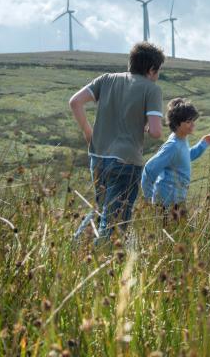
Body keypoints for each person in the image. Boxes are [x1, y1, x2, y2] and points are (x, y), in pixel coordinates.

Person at [70, 41, 165, 242]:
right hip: (126, 162)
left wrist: (89, 133)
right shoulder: (151, 89)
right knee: (113, 225)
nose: (157, 77)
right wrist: (148, 126)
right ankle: (101, 261)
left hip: (97, 157)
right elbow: (156, 132)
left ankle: (76, 249)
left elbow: (75, 102)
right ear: (151, 69)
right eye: (158, 72)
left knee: (100, 211)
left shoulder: (106, 79)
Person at [141, 98, 210, 218]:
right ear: (177, 124)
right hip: (167, 203)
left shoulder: (181, 140)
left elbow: (184, 158)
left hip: (177, 200)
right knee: (175, 235)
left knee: (182, 235)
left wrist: (202, 145)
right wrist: (150, 200)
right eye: (189, 122)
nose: (193, 124)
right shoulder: (172, 146)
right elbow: (149, 170)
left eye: (193, 120)